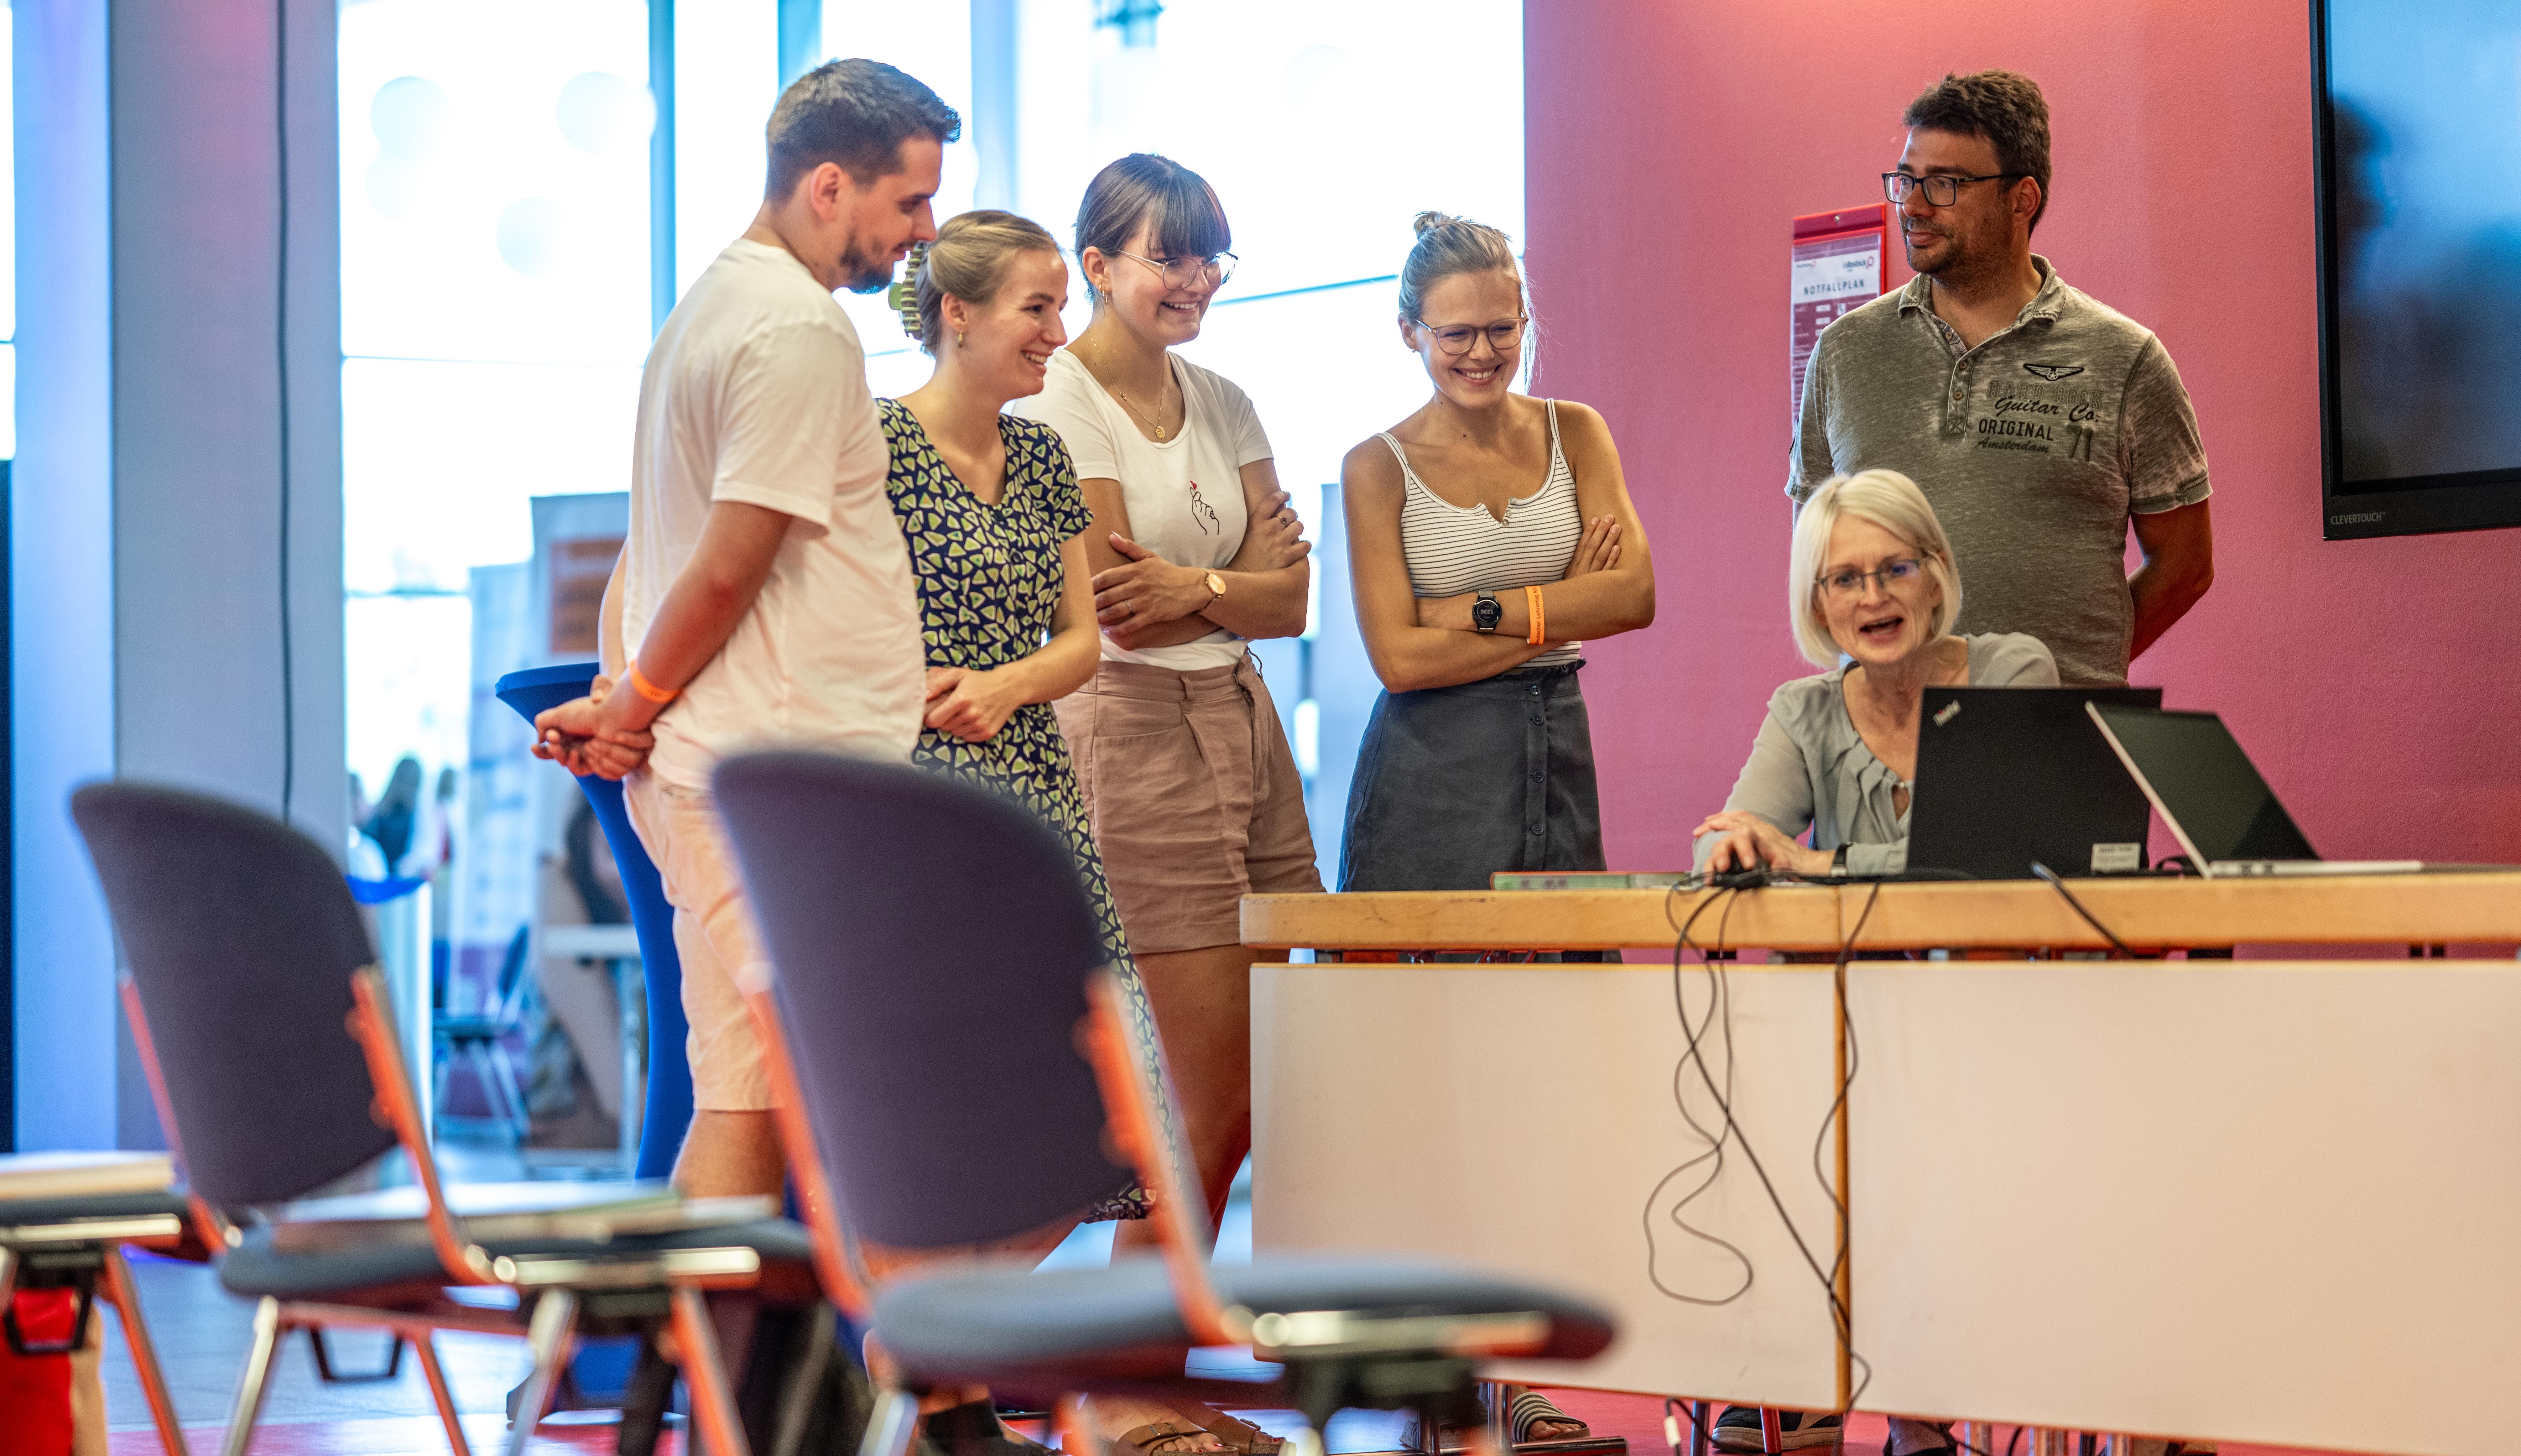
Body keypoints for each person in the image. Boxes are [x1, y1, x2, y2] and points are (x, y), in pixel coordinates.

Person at [530, 58, 956, 1205]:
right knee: (862, 1092)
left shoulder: (705, 313)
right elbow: (726, 563)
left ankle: (677, 1388)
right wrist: (629, 706)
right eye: (910, 202)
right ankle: (917, 1380)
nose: (925, 231)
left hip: (724, 771)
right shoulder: (799, 331)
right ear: (830, 187)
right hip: (774, 778)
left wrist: (627, 697)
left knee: (747, 1099)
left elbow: (652, 551)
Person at [1008, 152, 1317, 1456]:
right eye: (1168, 256)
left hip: (1243, 721)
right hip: (1131, 737)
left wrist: (1206, 591)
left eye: (1211, 257)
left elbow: (1295, 605)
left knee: (1242, 1082)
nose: (1195, 279)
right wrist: (1227, 579)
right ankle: (1070, 1379)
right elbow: (1112, 602)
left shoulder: (1226, 397)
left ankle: (1142, 1371)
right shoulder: (1062, 401)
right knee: (1175, 1089)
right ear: (1096, 264)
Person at [1337, 212, 1656, 1447]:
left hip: (1551, 755)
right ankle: (1434, 1378)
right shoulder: (1377, 465)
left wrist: (1468, 604)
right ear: (1409, 330)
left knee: (1546, 1076)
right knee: (1435, 1085)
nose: (1485, 352)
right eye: (1460, 332)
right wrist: (1548, 600)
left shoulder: (1577, 430)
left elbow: (1634, 593)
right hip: (1427, 777)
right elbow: (1396, 656)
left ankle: (1508, 1375)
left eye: (1505, 327)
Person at [1695, 469, 2050, 1456]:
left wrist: (1822, 863)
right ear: (1817, 601)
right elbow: (1736, 836)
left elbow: (1996, 848)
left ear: (1938, 576)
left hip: (1999, 1023)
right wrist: (1735, 847)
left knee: (1916, 1126)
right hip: (1850, 1035)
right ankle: (1807, 1368)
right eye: (1843, 579)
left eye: (1896, 568)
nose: (1872, 597)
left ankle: (1916, 1395)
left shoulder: (2014, 670)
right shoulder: (1803, 711)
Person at [877, 208, 1155, 1229]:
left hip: (1039, 800)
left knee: (1099, 1107)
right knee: (943, 1099)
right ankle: (931, 1360)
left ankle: (948, 1354)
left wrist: (1003, 685)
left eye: (1061, 307)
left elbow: (1083, 642)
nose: (1057, 330)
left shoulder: (1043, 456)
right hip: (914, 808)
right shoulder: (874, 441)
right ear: (958, 312)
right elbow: (825, 617)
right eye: (1037, 308)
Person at [1793, 69, 2213, 689]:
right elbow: (1817, 555)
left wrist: (2073, 671)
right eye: (1907, 179)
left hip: (2062, 745)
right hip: (1886, 739)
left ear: (2022, 199)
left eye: (1944, 184)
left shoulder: (2126, 359)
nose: (1912, 204)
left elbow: (2186, 565)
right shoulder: (1844, 353)